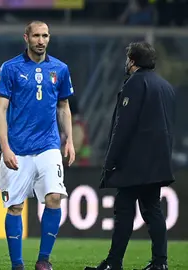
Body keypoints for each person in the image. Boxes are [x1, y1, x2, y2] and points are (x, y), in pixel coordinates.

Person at [85, 42, 175, 270]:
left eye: (128, 58)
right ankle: (160, 262)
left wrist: (110, 160)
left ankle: (114, 262)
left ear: (132, 60)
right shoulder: (166, 87)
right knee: (153, 210)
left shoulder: (134, 84)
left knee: (124, 210)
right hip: (157, 161)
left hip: (133, 163)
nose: (126, 62)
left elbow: (122, 126)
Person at [0, 21, 76, 270]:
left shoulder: (60, 69)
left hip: (48, 145)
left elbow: (64, 107)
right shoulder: (10, 68)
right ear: (26, 38)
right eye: (36, 36)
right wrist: (5, 148)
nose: (41, 40)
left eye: (45, 36)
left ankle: (43, 260)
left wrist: (69, 140)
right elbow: (0, 109)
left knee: (54, 198)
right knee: (15, 206)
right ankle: (17, 264)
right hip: (17, 148)